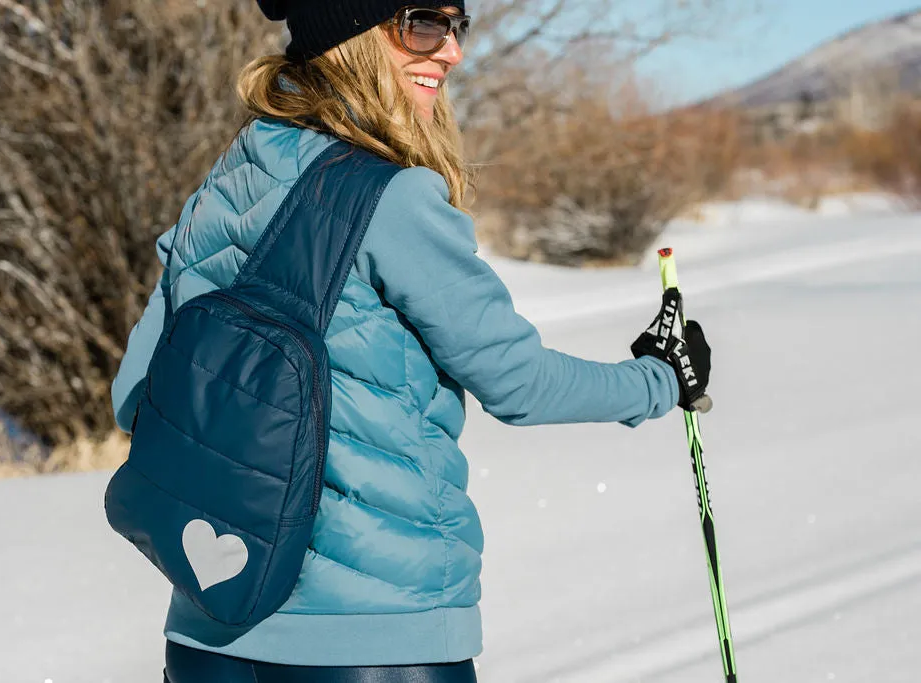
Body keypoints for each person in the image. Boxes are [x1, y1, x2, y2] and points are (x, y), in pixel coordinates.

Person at [110, 1, 712, 681]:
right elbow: (520, 384)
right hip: (377, 643)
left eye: (459, 27)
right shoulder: (392, 198)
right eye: (424, 22)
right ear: (351, 34)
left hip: (206, 640)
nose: (452, 51)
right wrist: (662, 377)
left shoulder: (223, 187)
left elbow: (132, 395)